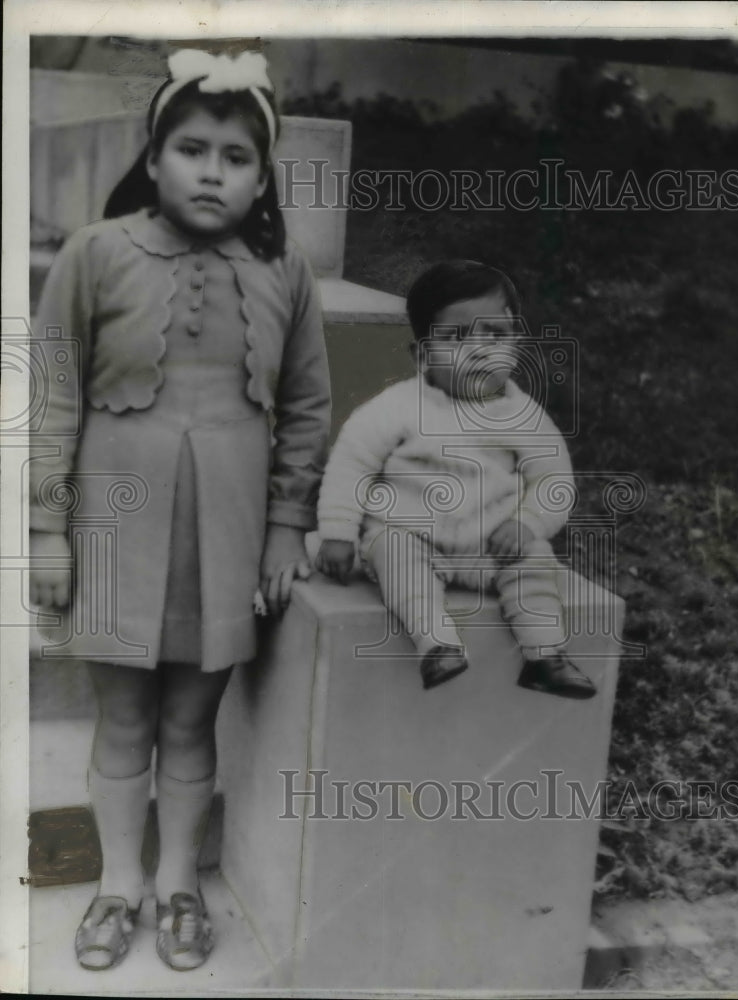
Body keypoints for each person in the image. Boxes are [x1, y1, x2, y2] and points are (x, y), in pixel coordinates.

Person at [28, 48, 331, 972]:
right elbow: (51, 394)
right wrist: (46, 530)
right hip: (114, 533)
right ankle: (119, 884)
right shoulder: (94, 254)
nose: (212, 170)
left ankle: (179, 889)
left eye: (236, 157)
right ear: (154, 157)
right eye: (192, 148)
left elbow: (309, 406)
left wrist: (285, 524)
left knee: (191, 725)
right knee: (123, 722)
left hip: (228, 540)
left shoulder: (286, 273)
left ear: (261, 175)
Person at [315, 260, 596, 697]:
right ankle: (436, 644)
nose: (481, 350)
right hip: (410, 534)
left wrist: (527, 524)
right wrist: (337, 531)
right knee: (396, 558)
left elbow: (554, 481)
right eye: (458, 337)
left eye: (496, 335)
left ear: (517, 342)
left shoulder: (524, 416)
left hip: (489, 544)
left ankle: (545, 655)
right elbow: (353, 463)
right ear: (422, 354)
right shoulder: (397, 407)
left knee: (535, 562)